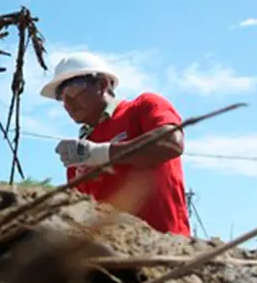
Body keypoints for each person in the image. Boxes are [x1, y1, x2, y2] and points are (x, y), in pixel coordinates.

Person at [40, 52, 190, 237]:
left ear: (102, 84)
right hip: (110, 255)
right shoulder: (80, 156)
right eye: (62, 97)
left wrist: (100, 154)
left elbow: (170, 143)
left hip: (166, 247)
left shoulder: (142, 108)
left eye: (72, 91)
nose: (68, 103)